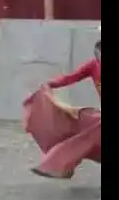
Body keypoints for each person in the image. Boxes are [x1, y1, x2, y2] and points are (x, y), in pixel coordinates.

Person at [24, 30, 101, 180]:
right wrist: (50, 84)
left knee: (86, 136)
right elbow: (70, 78)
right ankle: (62, 166)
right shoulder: (93, 65)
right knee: (82, 133)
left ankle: (57, 165)